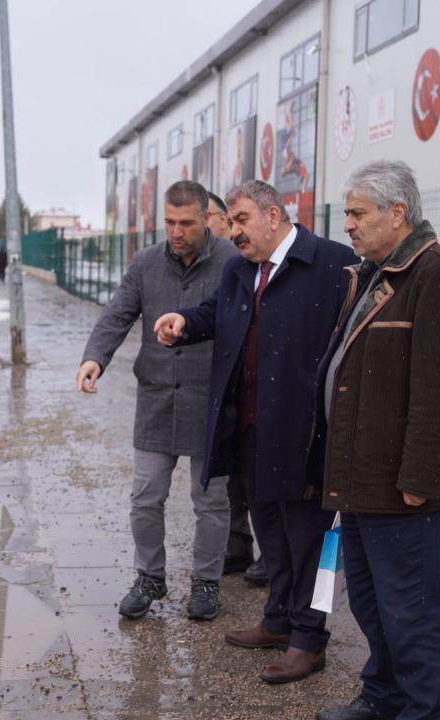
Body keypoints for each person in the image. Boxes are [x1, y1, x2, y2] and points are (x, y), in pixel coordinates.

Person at [154, 180, 357, 684]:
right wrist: (185, 320)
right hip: (248, 427)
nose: (234, 231)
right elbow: (220, 316)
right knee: (273, 537)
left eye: (242, 220)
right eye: (232, 222)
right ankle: (279, 620)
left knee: (311, 538)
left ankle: (311, 640)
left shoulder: (332, 263)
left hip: (307, 430)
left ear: (273, 215)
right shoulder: (239, 270)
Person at [315, 161, 440, 720]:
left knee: (410, 613)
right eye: (346, 213)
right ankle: (385, 696)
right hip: (361, 479)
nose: (348, 225)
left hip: (402, 488)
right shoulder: (374, 273)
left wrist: (419, 481)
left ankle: (426, 709)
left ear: (397, 213)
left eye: (358, 213)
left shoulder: (439, 275)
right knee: (371, 603)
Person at [77, 180, 236, 621]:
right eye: (169, 222)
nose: (177, 231)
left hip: (210, 401)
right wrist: (95, 359)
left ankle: (206, 582)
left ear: (207, 219)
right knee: (145, 496)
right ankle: (150, 575)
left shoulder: (232, 262)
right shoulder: (146, 263)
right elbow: (117, 315)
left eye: (187, 222)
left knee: (211, 501)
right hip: (156, 400)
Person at [205, 192, 266, 586]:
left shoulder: (241, 260)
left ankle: (268, 554)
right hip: (223, 390)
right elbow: (212, 313)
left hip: (256, 389)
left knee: (259, 482)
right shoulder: (230, 266)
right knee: (233, 483)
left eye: (211, 216)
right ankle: (238, 548)